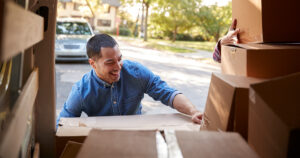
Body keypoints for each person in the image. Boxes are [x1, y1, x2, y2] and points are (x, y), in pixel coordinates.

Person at [56, 34, 203, 127]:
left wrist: (193, 111)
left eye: (119, 59)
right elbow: (62, 125)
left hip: (135, 137)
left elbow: (168, 94)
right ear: (93, 64)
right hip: (102, 142)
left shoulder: (136, 73)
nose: (118, 66)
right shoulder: (81, 90)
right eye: (110, 62)